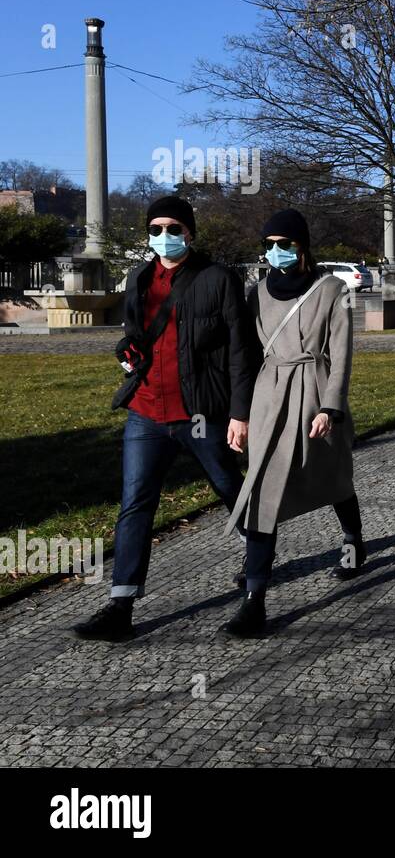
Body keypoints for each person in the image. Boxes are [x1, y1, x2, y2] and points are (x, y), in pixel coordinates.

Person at [73, 196, 253, 642]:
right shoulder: (138, 278)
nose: (164, 236)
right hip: (147, 413)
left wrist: (239, 414)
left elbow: (241, 352)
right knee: (135, 505)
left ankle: (258, 559)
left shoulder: (218, 279)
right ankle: (121, 605)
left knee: (232, 489)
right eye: (155, 229)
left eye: (173, 228)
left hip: (200, 413)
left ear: (190, 232)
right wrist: (127, 351)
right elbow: (135, 334)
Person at [222, 210, 365, 637]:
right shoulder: (257, 293)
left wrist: (330, 407)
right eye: (268, 244)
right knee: (262, 489)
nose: (274, 251)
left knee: (334, 476)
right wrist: (240, 413)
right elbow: (245, 357)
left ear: (301, 245)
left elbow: (341, 353)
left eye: (283, 243)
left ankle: (354, 541)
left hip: (315, 392)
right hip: (269, 395)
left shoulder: (332, 289)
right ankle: (255, 600)